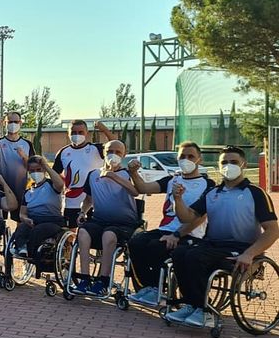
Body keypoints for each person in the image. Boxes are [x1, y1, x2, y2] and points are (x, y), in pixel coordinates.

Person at [170, 146, 278, 327]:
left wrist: (250, 254)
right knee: (180, 253)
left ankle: (203, 312)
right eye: (224, 162)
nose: (229, 166)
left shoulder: (255, 193)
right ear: (218, 166)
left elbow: (273, 230)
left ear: (243, 164)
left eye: (233, 162)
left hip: (241, 247)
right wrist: (178, 200)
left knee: (195, 257)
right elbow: (187, 217)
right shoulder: (212, 193)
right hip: (213, 244)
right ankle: (191, 304)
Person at [125, 141, 213, 306]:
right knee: (135, 242)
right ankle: (149, 287)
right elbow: (143, 188)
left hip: (190, 233)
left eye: (190, 156)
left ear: (199, 160)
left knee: (156, 247)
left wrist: (177, 234)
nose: (186, 160)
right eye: (182, 157)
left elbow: (200, 217)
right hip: (165, 229)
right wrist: (133, 173)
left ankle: (160, 289)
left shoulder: (207, 185)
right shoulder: (172, 180)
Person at [71, 140, 140, 296]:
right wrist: (82, 212)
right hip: (100, 220)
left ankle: (103, 280)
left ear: (124, 155)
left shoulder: (127, 174)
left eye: (118, 152)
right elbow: (89, 199)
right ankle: (85, 279)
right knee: (82, 233)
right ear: (104, 153)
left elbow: (135, 192)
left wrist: (113, 176)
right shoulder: (93, 174)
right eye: (109, 151)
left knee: (108, 235)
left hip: (123, 223)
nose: (113, 155)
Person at [52, 119, 115, 228]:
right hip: (72, 201)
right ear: (68, 134)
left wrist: (104, 129)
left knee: (91, 233)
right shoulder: (63, 152)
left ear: (87, 133)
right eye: (74, 133)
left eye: (80, 132)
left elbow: (116, 145)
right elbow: (54, 174)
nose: (77, 135)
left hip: (94, 202)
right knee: (70, 232)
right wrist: (64, 184)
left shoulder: (97, 149)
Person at [12, 156, 66, 259]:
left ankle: (30, 252)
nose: (35, 173)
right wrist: (25, 219)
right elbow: (22, 213)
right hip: (33, 220)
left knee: (38, 230)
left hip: (52, 220)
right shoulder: (28, 192)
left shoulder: (51, 185)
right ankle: (22, 248)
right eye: (32, 171)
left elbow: (60, 184)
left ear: (44, 170)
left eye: (38, 169)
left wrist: (46, 165)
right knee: (22, 228)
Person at [0, 111, 34, 220]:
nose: (13, 124)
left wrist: (24, 156)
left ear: (20, 123)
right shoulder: (0, 141)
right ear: (5, 123)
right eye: (10, 122)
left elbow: (32, 166)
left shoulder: (27, 144)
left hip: (20, 187)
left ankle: (18, 237)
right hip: (1, 186)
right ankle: (0, 236)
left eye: (16, 121)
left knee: (20, 218)